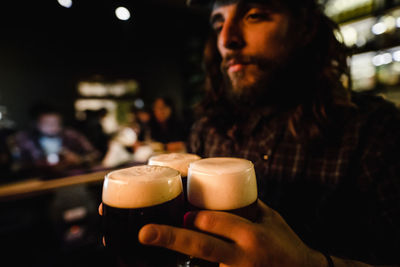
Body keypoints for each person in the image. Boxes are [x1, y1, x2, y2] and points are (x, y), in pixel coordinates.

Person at [100, 0, 400, 266]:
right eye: (218, 23)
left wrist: (309, 264)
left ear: (303, 28)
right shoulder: (208, 127)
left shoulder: (374, 131)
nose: (227, 39)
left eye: (254, 15)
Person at [12, 103, 101, 178]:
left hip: (72, 178)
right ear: (36, 124)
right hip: (38, 181)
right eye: (47, 123)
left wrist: (79, 159)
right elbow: (17, 166)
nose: (52, 127)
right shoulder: (25, 138)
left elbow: (95, 155)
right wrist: (41, 165)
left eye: (56, 123)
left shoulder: (71, 135)